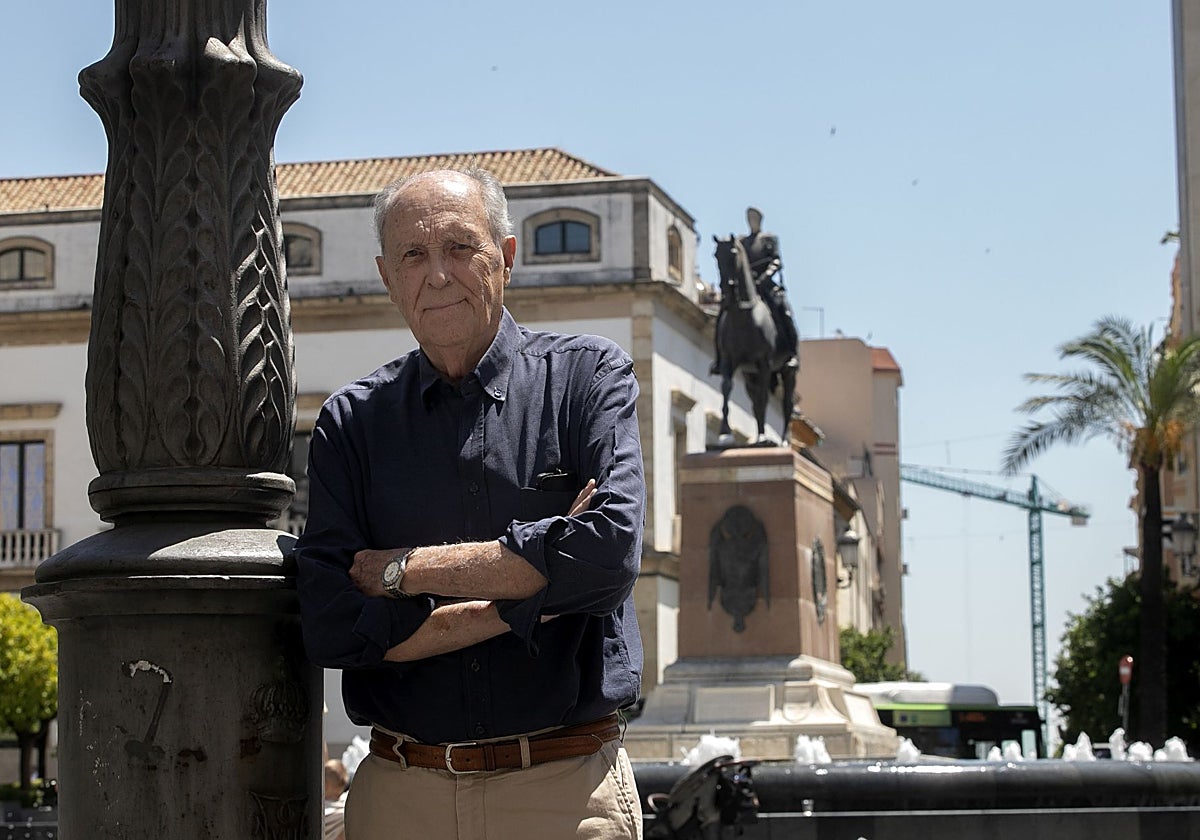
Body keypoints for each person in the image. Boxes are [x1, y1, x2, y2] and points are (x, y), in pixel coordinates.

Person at [295, 167, 646, 839]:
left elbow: (606, 557)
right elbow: (335, 626)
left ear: (506, 258)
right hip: (401, 798)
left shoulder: (588, 378)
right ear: (387, 276)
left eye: (460, 247)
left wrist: (404, 571)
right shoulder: (351, 423)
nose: (437, 274)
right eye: (413, 255)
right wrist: (535, 592)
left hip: (563, 795)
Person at [710, 206, 799, 375]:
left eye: (754, 218)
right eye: (749, 218)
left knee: (784, 311)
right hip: (746, 286)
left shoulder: (769, 239)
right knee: (723, 312)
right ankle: (720, 358)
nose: (751, 221)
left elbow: (776, 261)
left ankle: (792, 353)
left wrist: (765, 276)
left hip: (766, 285)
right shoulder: (742, 242)